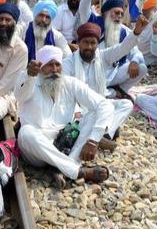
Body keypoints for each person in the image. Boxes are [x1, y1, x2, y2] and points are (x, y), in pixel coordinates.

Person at [16, 46, 114, 185]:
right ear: (41, 67)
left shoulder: (70, 83)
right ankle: (78, 171)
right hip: (37, 151)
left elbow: (105, 105)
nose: (55, 70)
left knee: (93, 114)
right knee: (25, 132)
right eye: (49, 65)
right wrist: (27, 75)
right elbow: (18, 95)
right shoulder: (31, 81)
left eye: (58, 65)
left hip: (65, 145)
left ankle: (62, 168)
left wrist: (93, 140)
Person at [63, 22, 137, 144]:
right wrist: (77, 111)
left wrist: (136, 33)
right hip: (78, 109)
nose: (89, 47)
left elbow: (123, 48)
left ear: (97, 44)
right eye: (86, 42)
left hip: (100, 105)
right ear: (78, 42)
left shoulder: (102, 57)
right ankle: (99, 132)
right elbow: (66, 92)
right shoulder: (68, 63)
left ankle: (105, 134)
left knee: (126, 104)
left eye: (93, 43)